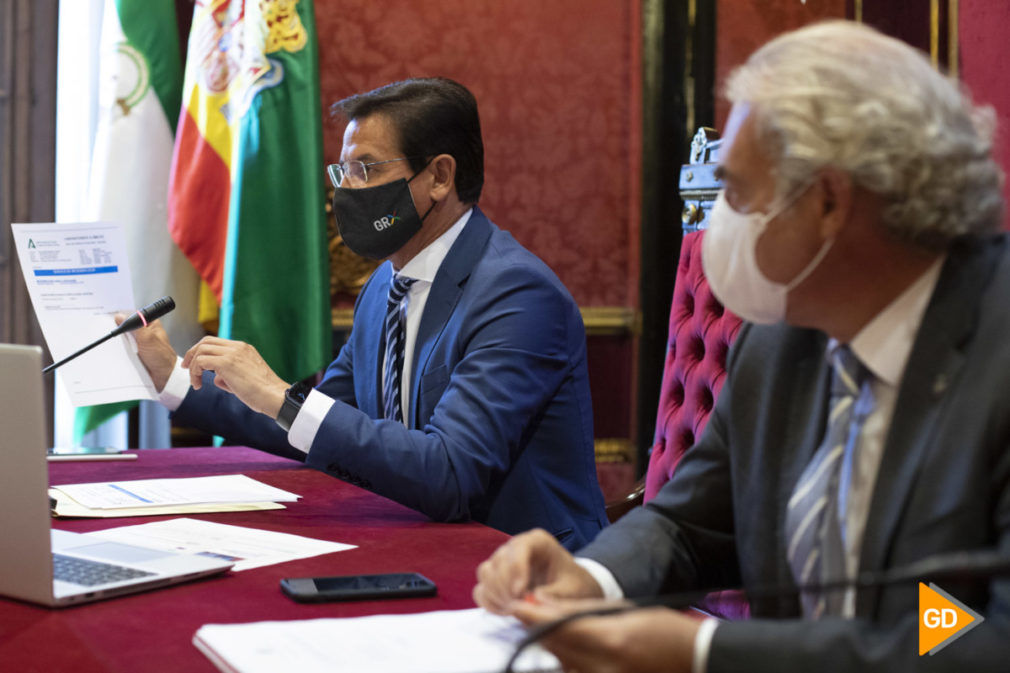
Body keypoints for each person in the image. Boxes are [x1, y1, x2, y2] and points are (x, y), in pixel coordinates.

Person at [473, 21, 1009, 672]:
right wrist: (590, 579)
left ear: (830, 201)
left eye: (735, 191)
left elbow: (980, 636)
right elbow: (686, 523)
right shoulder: (782, 340)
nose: (713, 223)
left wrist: (703, 650)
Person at [128, 77, 607, 549]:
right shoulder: (384, 286)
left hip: (530, 569)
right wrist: (172, 376)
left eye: (367, 169)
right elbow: (319, 421)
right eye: (343, 172)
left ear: (439, 177)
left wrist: (279, 394)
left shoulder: (516, 294)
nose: (348, 191)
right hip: (418, 543)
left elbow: (451, 474)